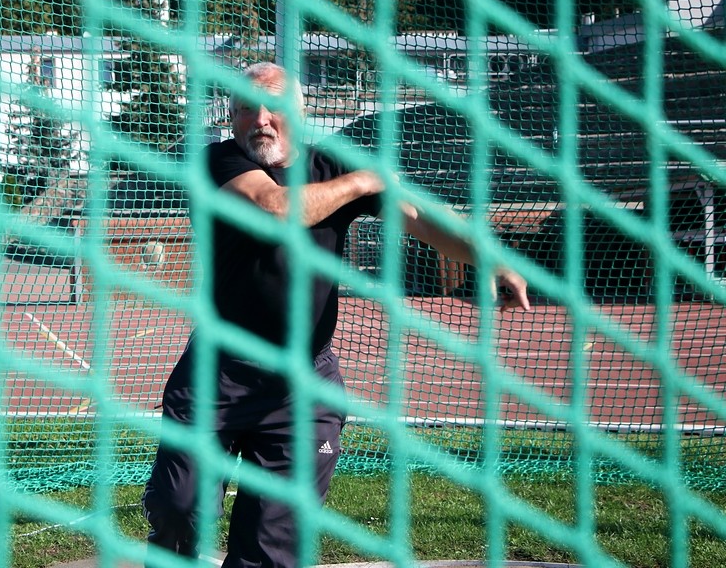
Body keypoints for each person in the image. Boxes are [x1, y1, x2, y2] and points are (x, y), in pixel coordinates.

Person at [141, 62, 530, 568]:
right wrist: (362, 181)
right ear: (231, 118)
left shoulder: (332, 167)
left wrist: (491, 259)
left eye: (274, 107)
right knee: (178, 507)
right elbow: (275, 208)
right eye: (245, 109)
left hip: (305, 384)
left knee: (272, 545)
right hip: (220, 373)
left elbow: (421, 217)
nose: (260, 119)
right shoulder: (217, 162)